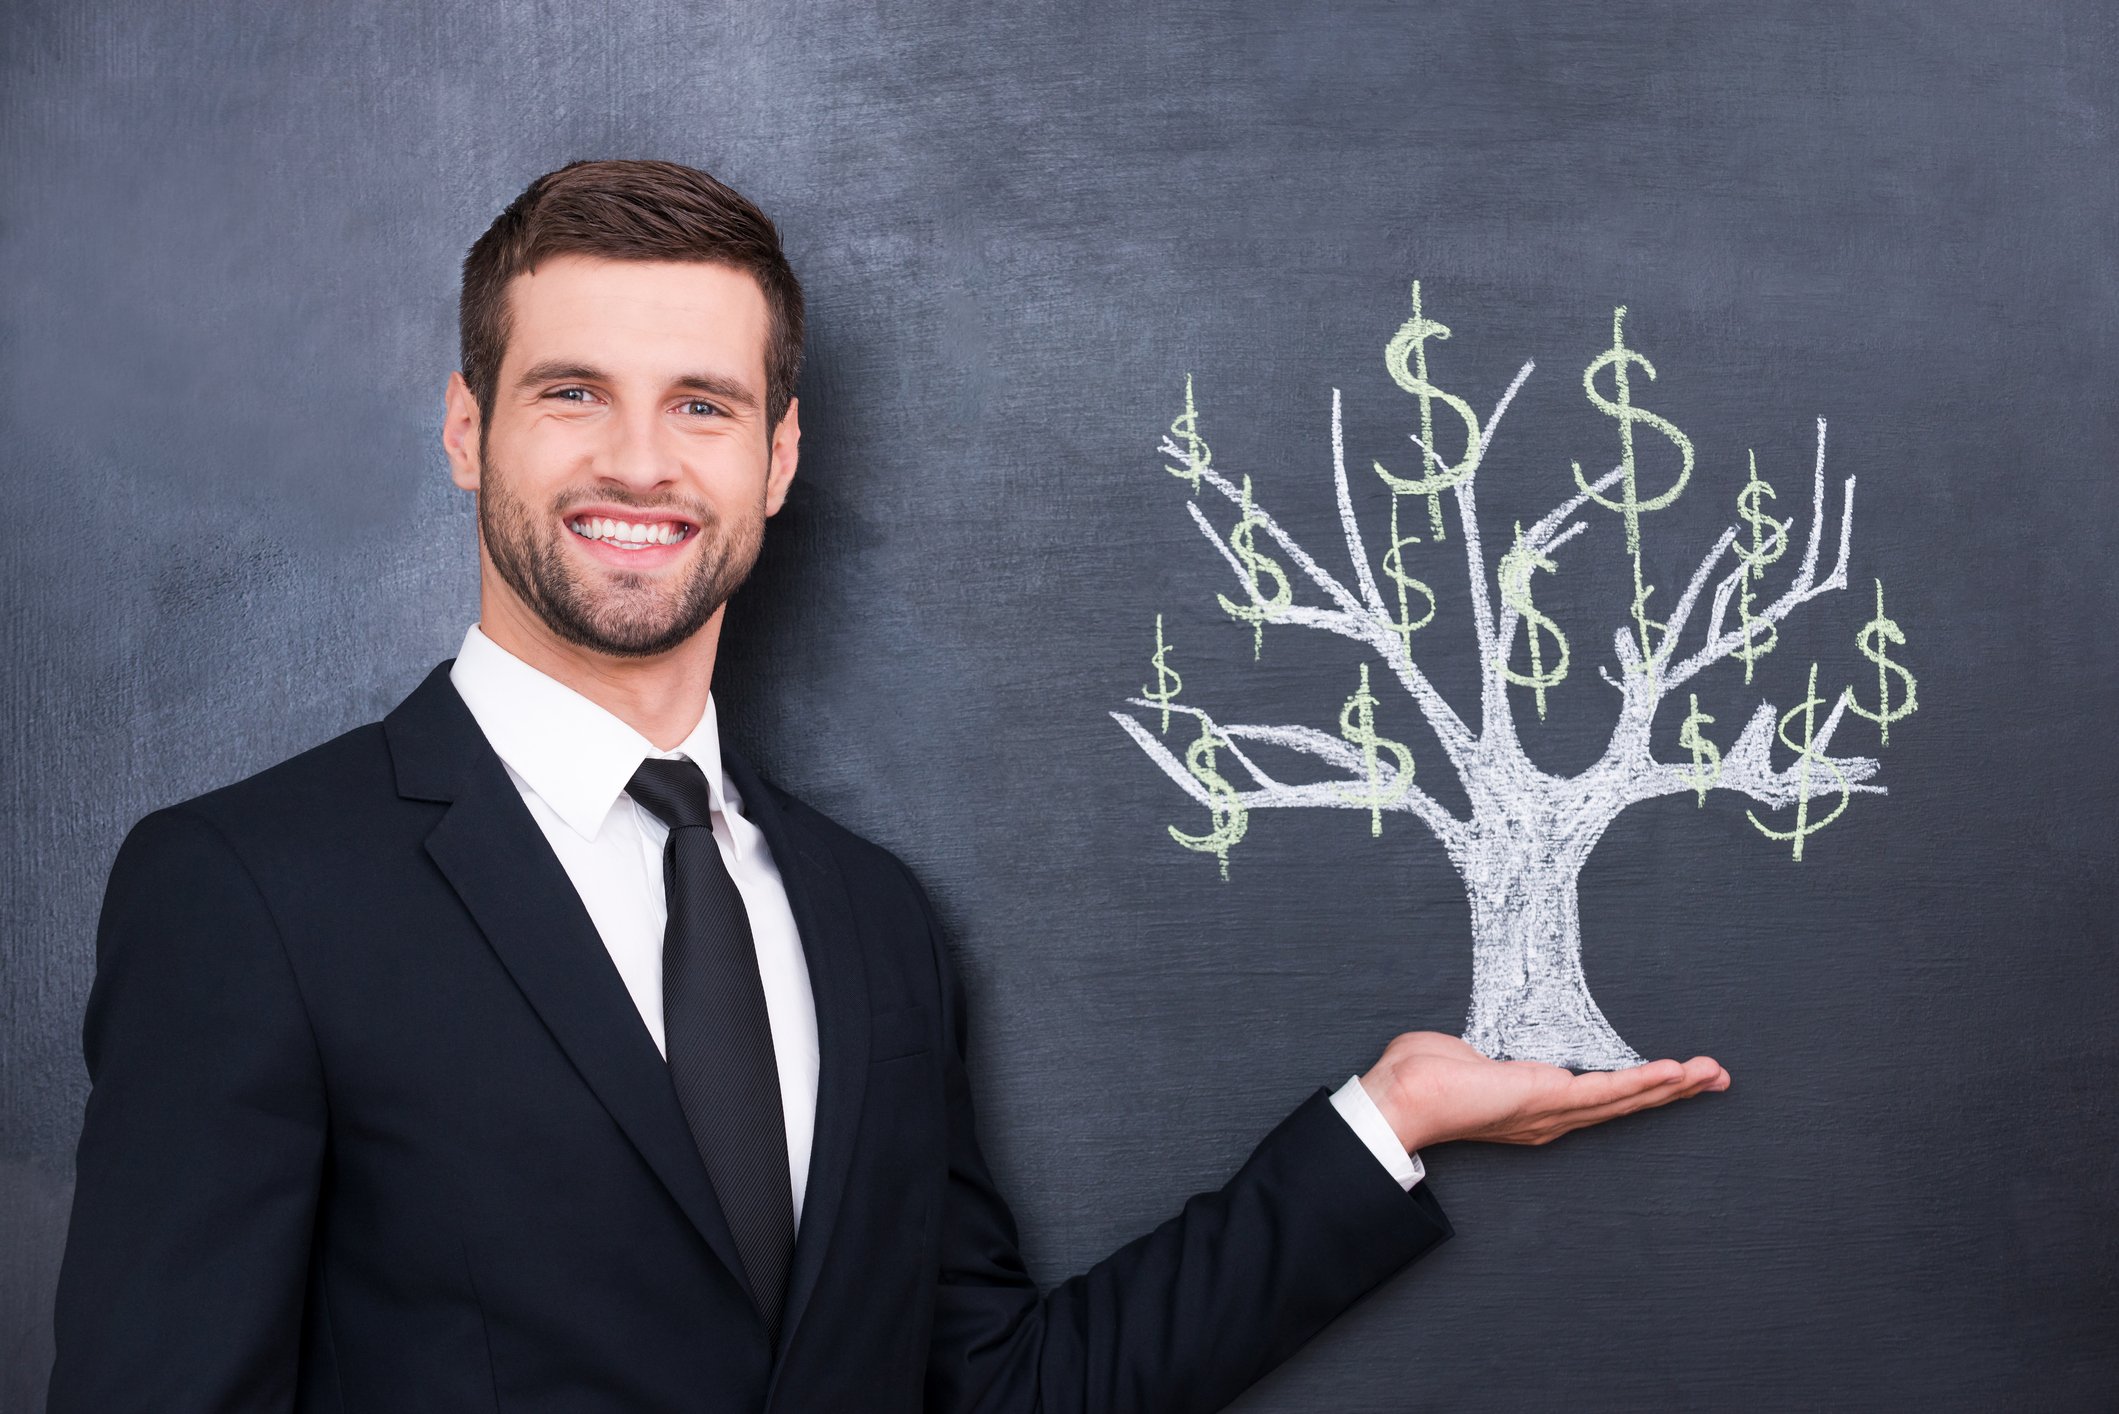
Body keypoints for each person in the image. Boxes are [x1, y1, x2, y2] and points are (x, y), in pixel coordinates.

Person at [46, 158, 1729, 1413]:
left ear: (775, 461)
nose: (639, 460)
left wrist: (1384, 1124)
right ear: (467, 429)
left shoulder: (869, 924)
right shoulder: (252, 892)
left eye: (700, 404)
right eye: (574, 394)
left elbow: (988, 1389)